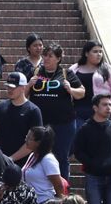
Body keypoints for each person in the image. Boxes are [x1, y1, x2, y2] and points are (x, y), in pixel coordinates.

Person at [29, 43, 85, 178]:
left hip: (63, 124)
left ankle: (62, 190)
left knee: (61, 156)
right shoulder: (35, 72)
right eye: (45, 55)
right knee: (37, 155)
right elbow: (24, 95)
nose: (46, 58)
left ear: (58, 58)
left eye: (50, 56)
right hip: (40, 123)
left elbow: (82, 92)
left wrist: (70, 89)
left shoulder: (66, 73)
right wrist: (28, 85)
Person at [0, 72, 43, 162]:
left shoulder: (33, 110)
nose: (9, 90)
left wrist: (11, 159)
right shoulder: (0, 107)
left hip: (23, 163)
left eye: (13, 87)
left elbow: (35, 141)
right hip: (0, 160)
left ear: (23, 88)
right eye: (8, 87)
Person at [72, 40, 111, 128]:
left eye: (100, 52)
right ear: (86, 53)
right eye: (95, 51)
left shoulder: (108, 69)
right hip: (79, 112)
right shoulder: (74, 69)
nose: (99, 54)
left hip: (101, 113)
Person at [22, 126, 66, 204]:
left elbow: (58, 186)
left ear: (38, 143)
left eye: (29, 138)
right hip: (31, 203)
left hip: (44, 203)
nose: (26, 140)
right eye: (26, 137)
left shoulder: (48, 159)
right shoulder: (32, 155)